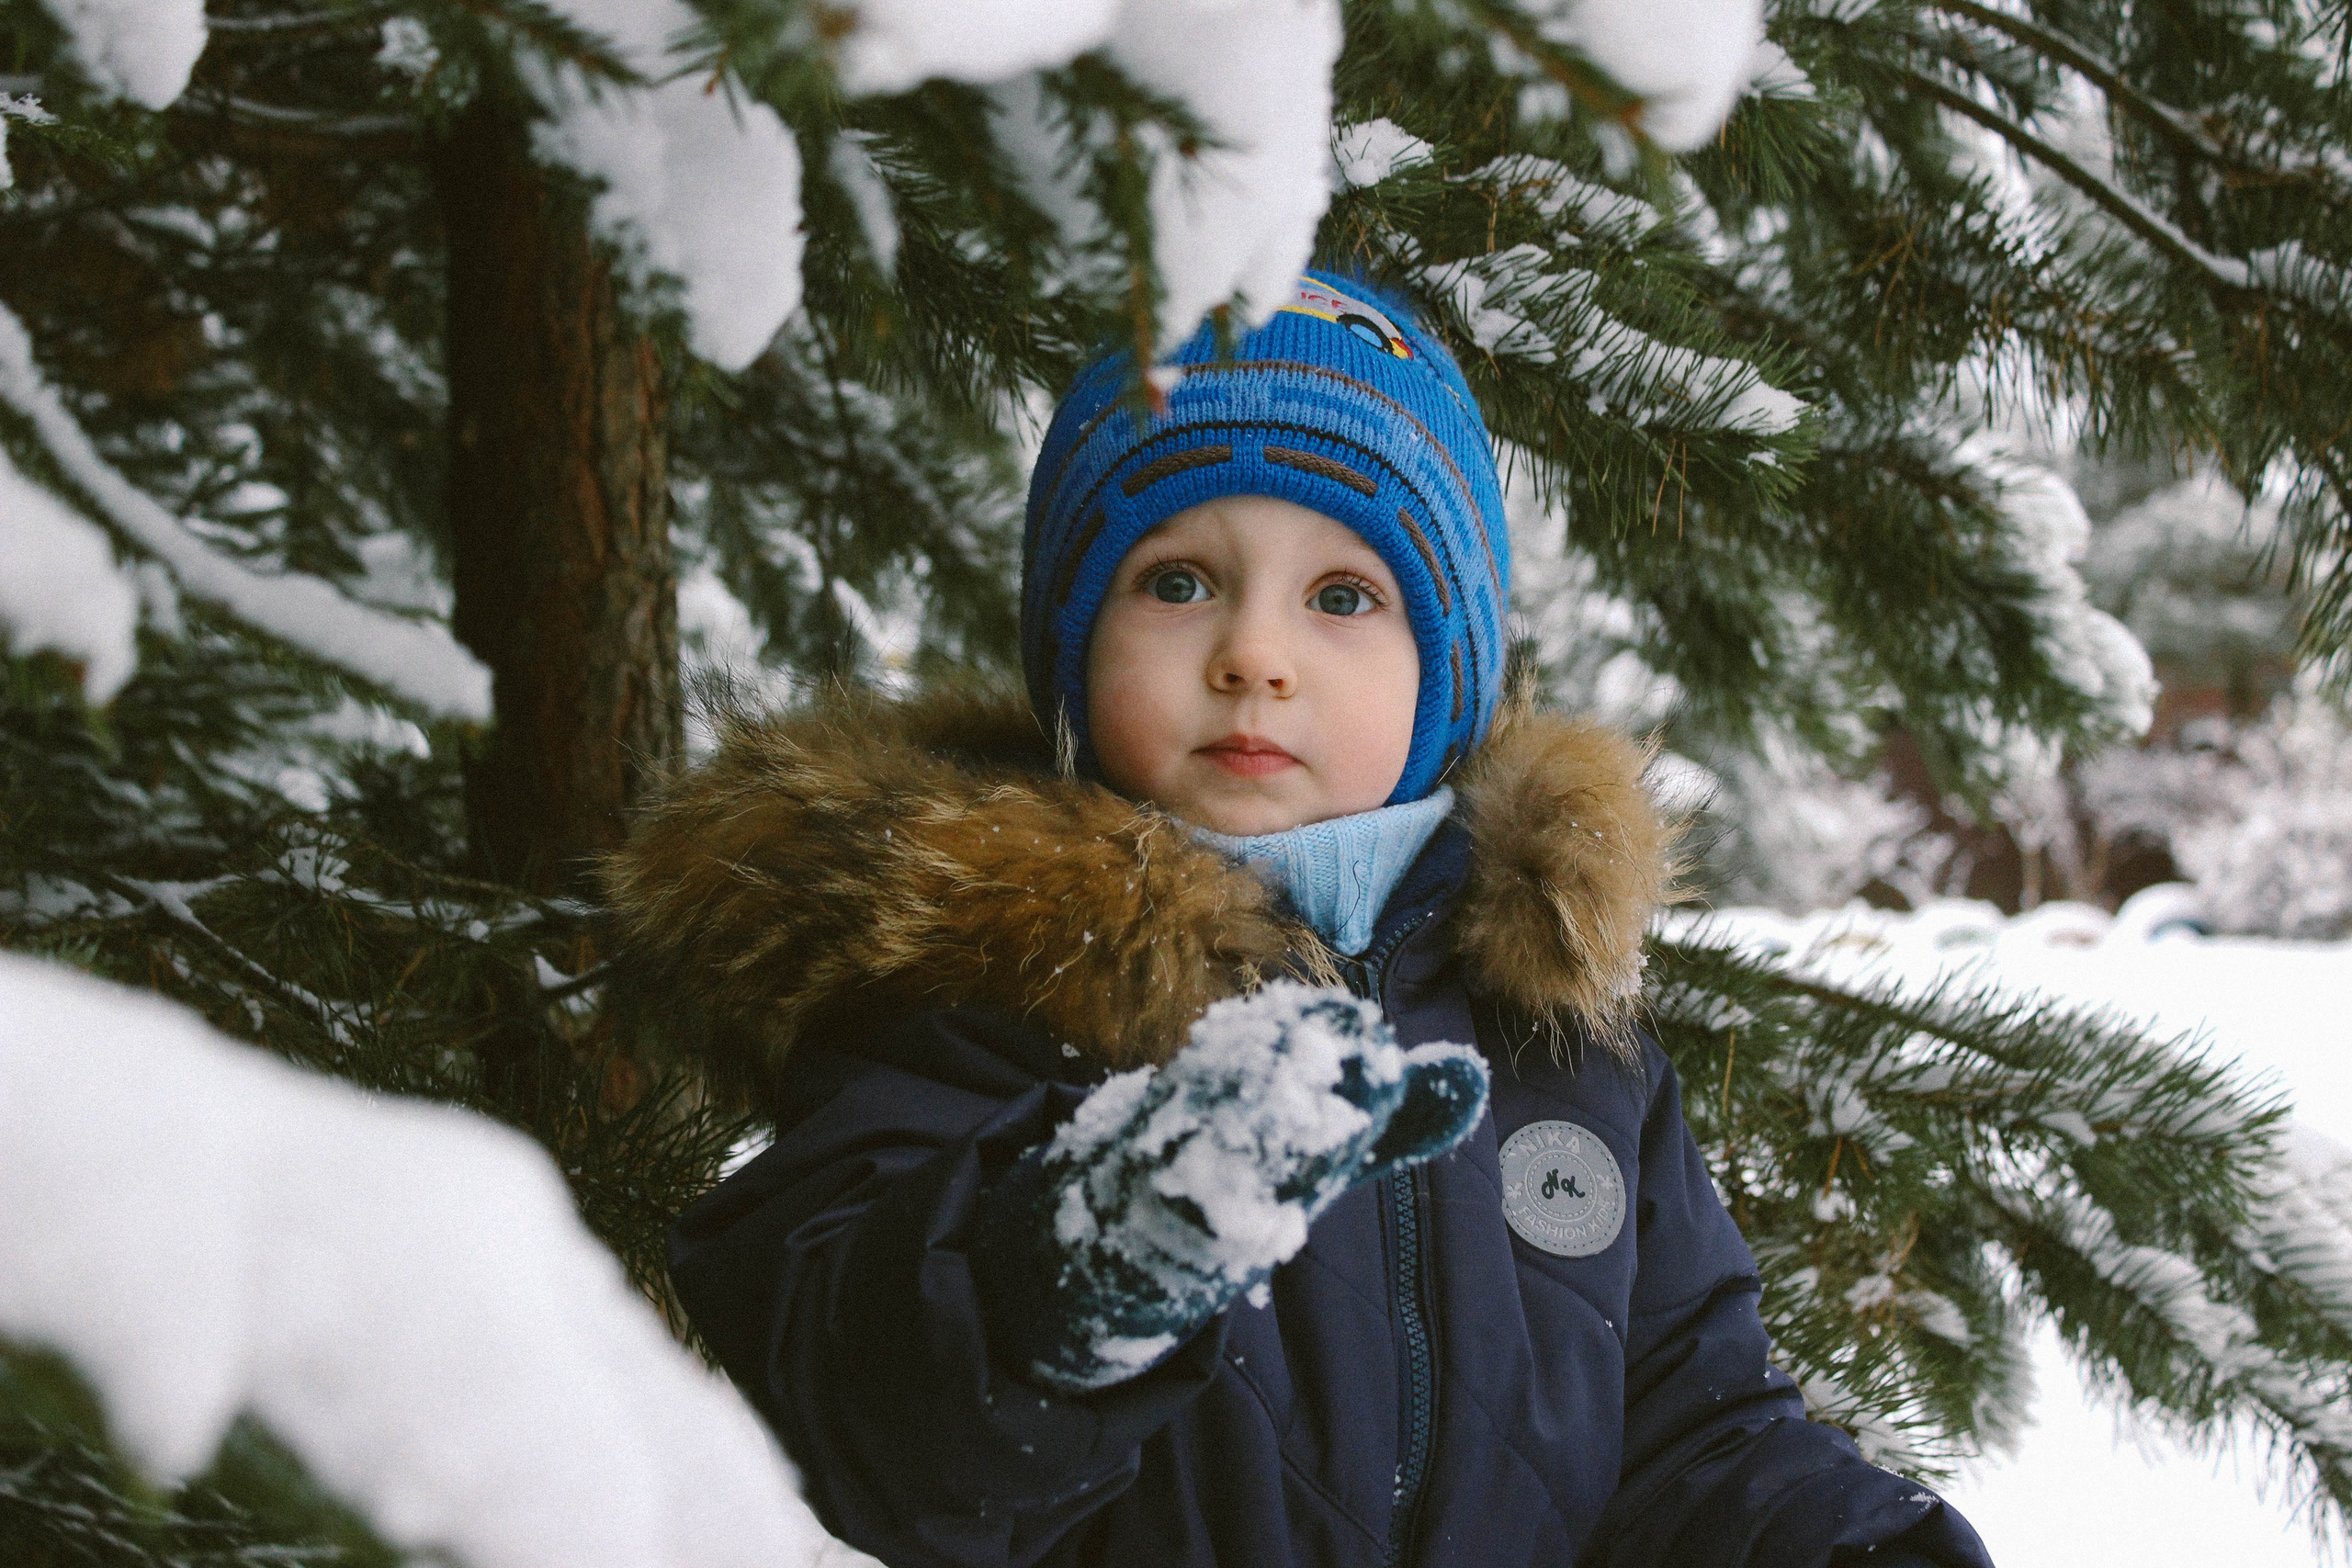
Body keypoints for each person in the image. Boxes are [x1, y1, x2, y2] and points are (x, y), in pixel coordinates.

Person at [604, 271, 1996, 1568]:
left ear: (1442, 674)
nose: (1253, 655)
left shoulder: (1563, 1035)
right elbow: (877, 1422)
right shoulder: (980, 985)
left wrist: (1843, 1543)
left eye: (1343, 596)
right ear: (1076, 657)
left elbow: (1693, 1425)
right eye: (1178, 581)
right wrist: (1076, 1268)